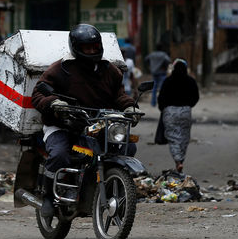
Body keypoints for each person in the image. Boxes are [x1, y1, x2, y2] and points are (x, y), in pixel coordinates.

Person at [31, 24, 140, 218]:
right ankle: (48, 196)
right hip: (62, 124)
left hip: (96, 123)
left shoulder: (110, 70)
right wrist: (55, 103)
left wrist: (130, 107)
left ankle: (111, 187)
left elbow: (119, 95)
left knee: (125, 147)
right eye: (86, 48)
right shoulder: (60, 69)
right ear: (76, 48)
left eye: (95, 47)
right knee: (59, 154)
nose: (91, 51)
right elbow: (39, 92)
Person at [157, 59, 199, 173]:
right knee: (184, 138)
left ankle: (178, 161)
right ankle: (181, 160)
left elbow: (161, 97)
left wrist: (163, 109)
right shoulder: (191, 81)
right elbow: (196, 96)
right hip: (185, 112)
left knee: (173, 138)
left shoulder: (168, 81)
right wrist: (188, 105)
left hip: (170, 112)